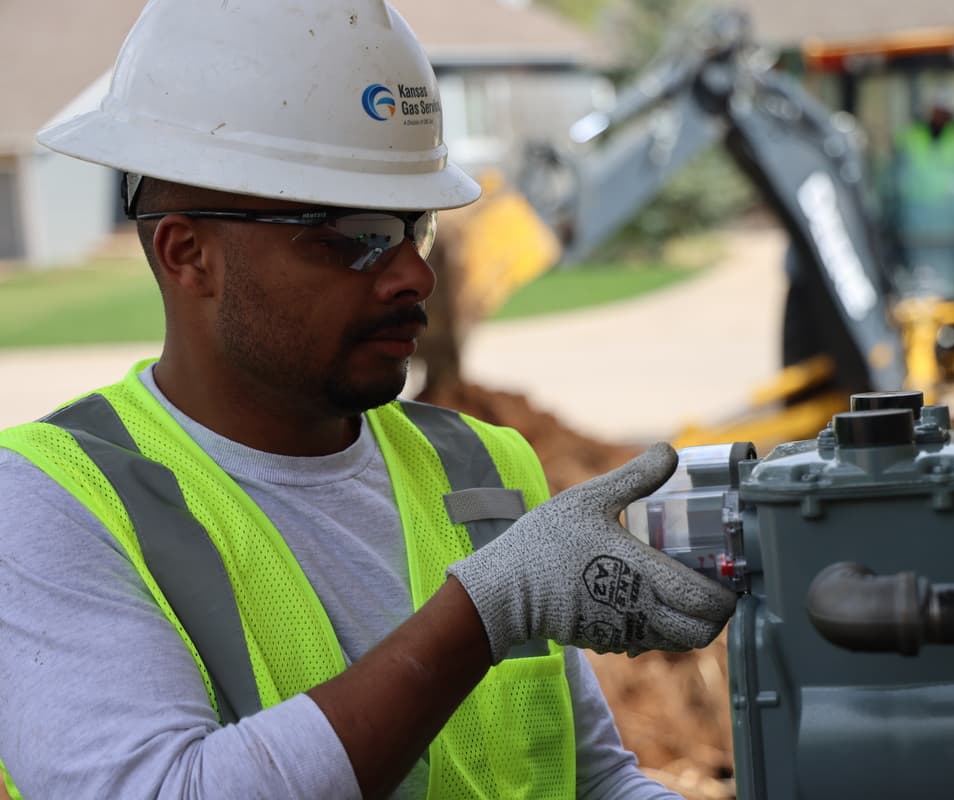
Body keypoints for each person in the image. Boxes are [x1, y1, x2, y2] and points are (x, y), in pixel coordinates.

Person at [0, 1, 736, 798]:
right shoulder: (54, 503)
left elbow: (587, 781)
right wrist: (481, 613)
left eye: (412, 227)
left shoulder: (482, 466)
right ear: (189, 255)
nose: (413, 276)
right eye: (353, 235)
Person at [887, 86, 954, 298]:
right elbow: (897, 165)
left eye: (945, 110)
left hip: (953, 215)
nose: (940, 115)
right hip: (916, 216)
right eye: (937, 110)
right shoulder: (911, 135)